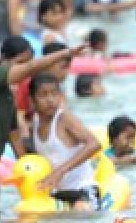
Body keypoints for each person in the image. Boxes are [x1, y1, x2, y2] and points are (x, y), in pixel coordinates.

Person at [0, 36, 89, 213]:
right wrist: (66, 53)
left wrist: (32, 173)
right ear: (3, 60)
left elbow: (15, 137)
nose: (25, 69)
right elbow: (32, 68)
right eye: (20, 63)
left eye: (27, 62)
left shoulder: (7, 97)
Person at [29, 74, 103, 209]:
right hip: (57, 193)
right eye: (43, 95)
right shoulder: (33, 123)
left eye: (54, 94)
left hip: (82, 188)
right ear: (32, 100)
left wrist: (60, 171)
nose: (50, 100)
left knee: (82, 211)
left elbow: (94, 144)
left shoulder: (64, 118)